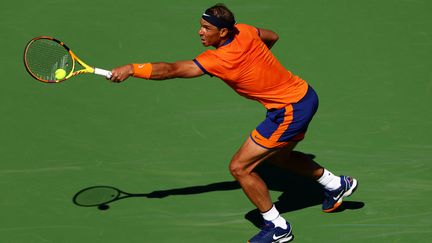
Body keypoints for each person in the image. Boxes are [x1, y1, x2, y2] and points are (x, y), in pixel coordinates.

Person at [109, 3, 358, 243]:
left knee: (240, 168)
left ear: (224, 31)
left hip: (289, 110)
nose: (200, 32)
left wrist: (133, 68)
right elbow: (272, 36)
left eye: (207, 28)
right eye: (201, 26)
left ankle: (277, 226)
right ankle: (335, 184)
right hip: (305, 94)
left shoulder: (218, 60)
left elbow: (172, 69)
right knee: (279, 158)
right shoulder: (247, 31)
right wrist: (256, 61)